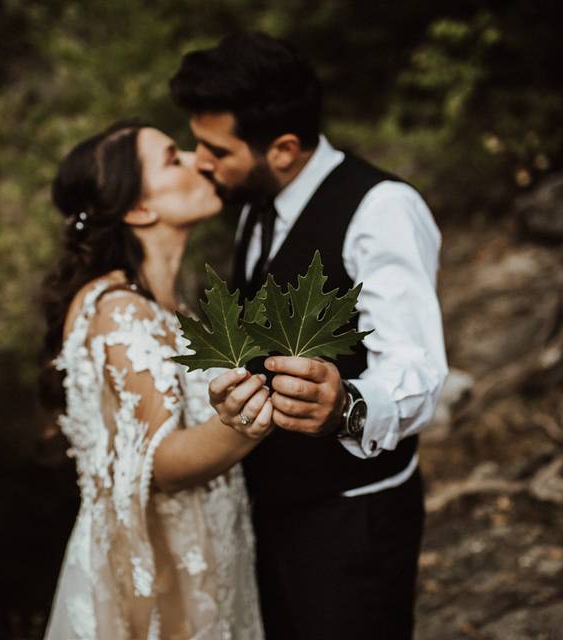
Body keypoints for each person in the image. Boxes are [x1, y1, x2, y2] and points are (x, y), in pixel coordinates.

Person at [170, 32, 449, 639]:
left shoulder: (382, 210)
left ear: (285, 148)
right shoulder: (253, 206)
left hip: (353, 521)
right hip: (270, 510)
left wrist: (345, 405)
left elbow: (417, 371)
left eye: (215, 148)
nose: (199, 161)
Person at [40, 121, 270, 639]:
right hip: (159, 573)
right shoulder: (119, 311)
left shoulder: (168, 309)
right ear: (139, 209)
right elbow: (159, 465)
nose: (197, 159)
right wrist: (251, 421)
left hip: (207, 554)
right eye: (173, 158)